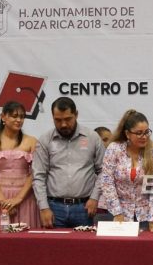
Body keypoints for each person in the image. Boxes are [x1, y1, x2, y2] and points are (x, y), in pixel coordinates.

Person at [32, 97, 105, 228]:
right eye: (58, 120)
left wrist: (94, 198)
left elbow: (103, 171)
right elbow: (38, 176)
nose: (63, 124)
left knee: (85, 242)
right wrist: (43, 207)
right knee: (54, 242)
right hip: (53, 208)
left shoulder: (92, 138)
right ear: (52, 117)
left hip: (84, 207)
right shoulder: (45, 140)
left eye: (68, 119)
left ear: (76, 114)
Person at [99, 109, 153, 231]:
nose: (144, 137)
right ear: (127, 134)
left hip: (145, 216)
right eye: (139, 133)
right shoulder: (114, 149)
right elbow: (107, 182)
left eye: (147, 132)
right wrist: (117, 213)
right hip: (117, 213)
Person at [0, 101, 40, 228]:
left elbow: (34, 172)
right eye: (14, 116)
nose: (19, 120)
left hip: (25, 196)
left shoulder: (32, 141)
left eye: (22, 117)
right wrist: (4, 201)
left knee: (26, 235)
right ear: (3, 117)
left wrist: (18, 198)